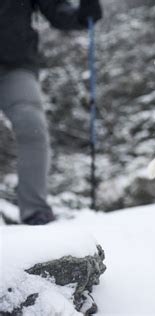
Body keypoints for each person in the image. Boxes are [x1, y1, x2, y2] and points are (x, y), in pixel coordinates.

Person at [0, 0, 102, 225]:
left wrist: (84, 13)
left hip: (14, 66)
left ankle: (35, 212)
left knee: (32, 129)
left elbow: (58, 12)